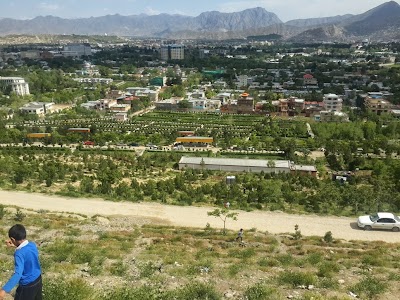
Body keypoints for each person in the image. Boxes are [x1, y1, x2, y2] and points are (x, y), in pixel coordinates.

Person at [0, 224, 42, 300]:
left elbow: (18, 274)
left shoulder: (19, 254)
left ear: (12, 239)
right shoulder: (32, 245)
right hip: (38, 279)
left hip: (27, 286)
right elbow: (26, 250)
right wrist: (15, 245)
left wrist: (4, 290)